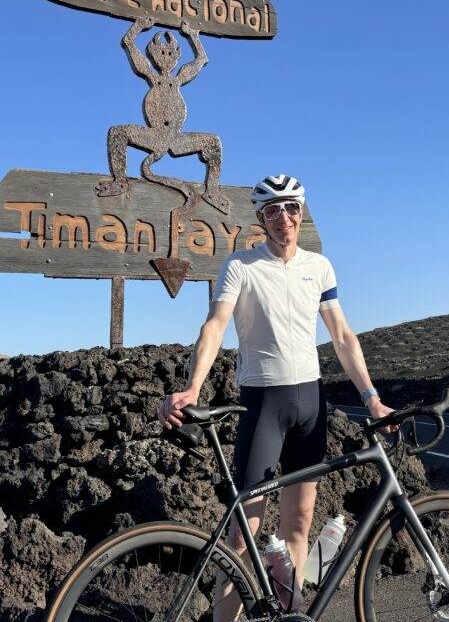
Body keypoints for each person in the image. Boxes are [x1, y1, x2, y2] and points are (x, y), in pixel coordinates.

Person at [158, 174, 393, 618]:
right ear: (261, 219)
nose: (282, 217)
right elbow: (215, 326)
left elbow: (342, 336)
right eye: (272, 210)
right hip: (263, 404)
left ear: (301, 213)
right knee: (243, 535)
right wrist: (193, 386)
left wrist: (372, 397)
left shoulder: (319, 266)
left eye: (291, 208)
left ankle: (290, 614)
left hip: (310, 403)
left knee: (299, 524)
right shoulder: (241, 266)